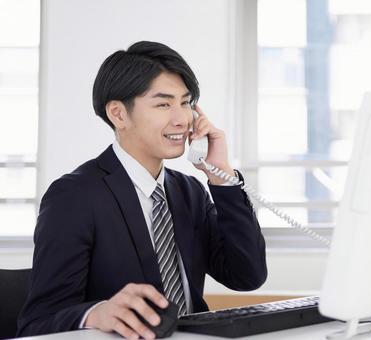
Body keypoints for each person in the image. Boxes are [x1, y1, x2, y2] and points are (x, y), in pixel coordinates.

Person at [17, 41, 267, 339]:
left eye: (186, 103)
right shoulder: (74, 196)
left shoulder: (189, 191)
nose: (182, 119)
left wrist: (222, 177)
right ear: (118, 114)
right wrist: (97, 313)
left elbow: (246, 276)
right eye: (163, 104)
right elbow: (37, 322)